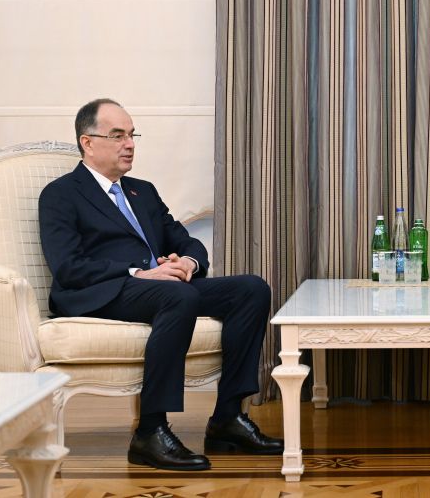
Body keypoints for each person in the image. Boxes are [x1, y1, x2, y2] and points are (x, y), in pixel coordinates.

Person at [39, 98, 282, 471]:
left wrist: (187, 262)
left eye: (131, 135)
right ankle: (150, 431)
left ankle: (227, 418)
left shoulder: (143, 191)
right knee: (177, 295)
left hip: (163, 290)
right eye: (117, 135)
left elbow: (186, 242)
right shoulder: (61, 194)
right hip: (104, 292)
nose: (129, 144)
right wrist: (140, 272)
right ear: (88, 142)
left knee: (251, 289)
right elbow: (68, 267)